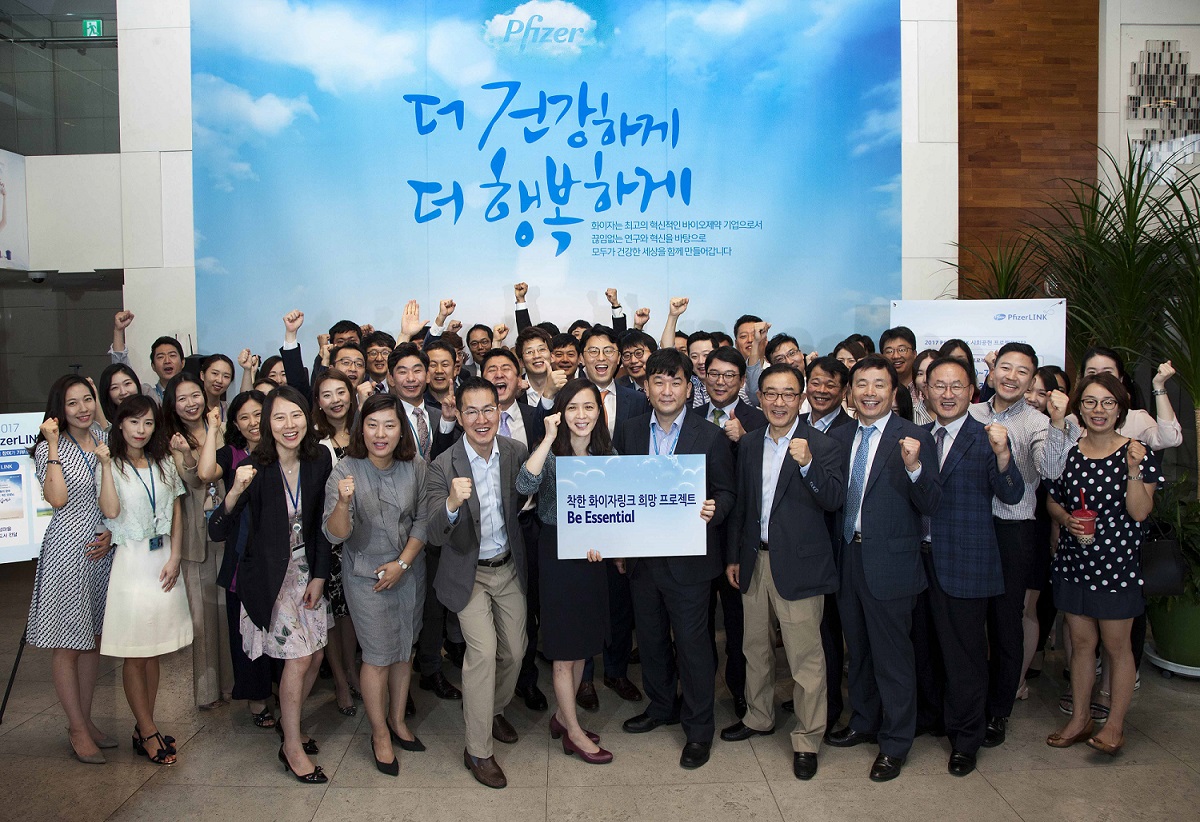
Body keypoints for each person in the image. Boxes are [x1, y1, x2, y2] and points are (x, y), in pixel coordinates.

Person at [614, 348, 736, 771]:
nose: (667, 390)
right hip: (643, 560)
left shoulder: (710, 435)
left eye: (676, 382)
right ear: (646, 387)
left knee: (693, 646)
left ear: (689, 388)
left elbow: (727, 492)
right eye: (658, 382)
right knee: (650, 640)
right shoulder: (629, 431)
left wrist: (714, 509)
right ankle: (662, 705)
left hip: (691, 563)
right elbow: (618, 491)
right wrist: (617, 544)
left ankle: (699, 729)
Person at [722, 364, 845, 781]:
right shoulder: (750, 442)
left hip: (801, 567)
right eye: (770, 393)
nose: (779, 402)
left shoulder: (823, 445)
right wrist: (735, 556)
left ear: (802, 398)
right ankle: (759, 716)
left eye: (788, 394)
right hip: (754, 560)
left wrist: (808, 464)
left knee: (805, 659)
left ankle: (808, 738)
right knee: (754, 648)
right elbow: (742, 504)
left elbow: (833, 499)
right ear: (759, 397)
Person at [208, 386, 334, 784]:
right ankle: (292, 745)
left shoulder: (319, 459)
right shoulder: (254, 467)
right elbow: (218, 530)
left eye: (295, 415)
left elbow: (321, 526)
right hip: (268, 578)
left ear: (307, 417)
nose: (289, 425)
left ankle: (288, 722)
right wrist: (233, 492)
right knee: (298, 659)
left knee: (315, 656)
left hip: (306, 573)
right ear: (267, 424)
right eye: (279, 417)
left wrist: (319, 575)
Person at [825, 354, 941, 783]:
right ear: (849, 392)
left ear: (894, 393)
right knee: (858, 650)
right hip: (848, 558)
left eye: (879, 385)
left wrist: (913, 468)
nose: (869, 392)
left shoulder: (915, 437)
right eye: (861, 384)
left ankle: (895, 743)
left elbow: (931, 503)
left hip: (891, 565)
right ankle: (864, 721)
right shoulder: (840, 435)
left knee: (893, 658)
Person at [913, 357, 1024, 777]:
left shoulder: (987, 437)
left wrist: (1004, 455)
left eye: (956, 386)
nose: (947, 394)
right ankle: (933, 718)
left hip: (966, 563)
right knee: (924, 649)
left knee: (965, 657)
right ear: (925, 391)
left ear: (972, 390)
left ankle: (965, 739)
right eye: (938, 386)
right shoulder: (917, 437)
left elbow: (1012, 495)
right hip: (918, 561)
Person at [967, 342, 1078, 748]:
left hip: (1012, 529)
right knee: (968, 620)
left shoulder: (1037, 422)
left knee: (1005, 621)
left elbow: (1050, 470)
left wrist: (1059, 423)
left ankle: (999, 709)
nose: (1011, 377)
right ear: (992, 370)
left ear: (1032, 381)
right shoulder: (972, 412)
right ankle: (968, 703)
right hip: (969, 527)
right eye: (1006, 368)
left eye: (1022, 372)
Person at [1045, 373, 1161, 756]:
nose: (1099, 410)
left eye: (1108, 402)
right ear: (1079, 408)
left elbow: (1140, 512)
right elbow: (1052, 500)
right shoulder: (1069, 452)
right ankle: (1080, 719)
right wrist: (1065, 519)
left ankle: (1114, 725)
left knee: (1117, 647)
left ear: (1120, 408)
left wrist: (1133, 470)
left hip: (1116, 566)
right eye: (1091, 402)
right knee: (1081, 644)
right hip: (1075, 561)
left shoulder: (1137, 452)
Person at [424, 376, 530, 789]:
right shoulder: (442, 464)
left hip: (508, 567)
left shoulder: (514, 452)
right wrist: (452, 503)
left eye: (489, 409)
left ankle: (493, 708)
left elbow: (532, 495)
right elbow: (434, 533)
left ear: (499, 412)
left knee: (515, 651)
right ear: (459, 413)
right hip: (468, 573)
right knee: (483, 653)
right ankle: (478, 750)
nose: (481, 419)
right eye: (471, 411)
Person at [324, 394, 431, 776]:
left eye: (389, 425)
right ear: (361, 429)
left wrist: (403, 563)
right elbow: (335, 535)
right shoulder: (344, 471)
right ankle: (379, 733)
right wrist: (342, 502)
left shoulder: (415, 466)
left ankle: (398, 721)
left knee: (404, 650)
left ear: (401, 429)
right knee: (377, 655)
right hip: (366, 577)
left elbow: (424, 519)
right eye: (372, 425)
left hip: (409, 570)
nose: (380, 434)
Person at [516, 379, 616, 765]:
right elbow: (524, 483)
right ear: (560, 413)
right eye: (572, 407)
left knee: (582, 646)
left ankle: (563, 716)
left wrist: (606, 543)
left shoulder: (608, 454)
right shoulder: (551, 454)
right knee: (562, 650)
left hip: (592, 558)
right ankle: (574, 733)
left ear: (599, 412)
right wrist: (547, 437)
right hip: (557, 554)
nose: (581, 415)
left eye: (588, 407)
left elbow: (617, 511)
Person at [96, 395, 192, 766]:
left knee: (154, 651)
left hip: (164, 559)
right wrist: (106, 466)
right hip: (132, 563)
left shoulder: (164, 461)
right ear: (120, 424)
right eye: (134, 422)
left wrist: (176, 556)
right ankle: (148, 730)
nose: (141, 430)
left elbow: (177, 510)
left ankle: (144, 726)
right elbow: (110, 510)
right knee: (136, 653)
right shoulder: (111, 464)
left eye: (148, 423)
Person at [26, 376, 115, 764]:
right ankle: (76, 728)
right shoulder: (49, 447)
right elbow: (58, 498)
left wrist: (112, 532)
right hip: (66, 551)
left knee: (93, 639)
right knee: (68, 643)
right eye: (72, 402)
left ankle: (86, 719)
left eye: (87, 399)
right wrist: (50, 445)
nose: (82, 408)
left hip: (103, 549)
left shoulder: (103, 437)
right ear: (59, 409)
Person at [196, 389, 280, 729]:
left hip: (279, 557)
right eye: (243, 417)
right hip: (243, 557)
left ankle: (281, 689)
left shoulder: (283, 449)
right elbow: (205, 474)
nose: (252, 422)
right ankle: (257, 699)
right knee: (248, 635)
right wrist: (212, 428)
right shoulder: (232, 454)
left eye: (258, 414)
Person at [576, 325, 648, 709]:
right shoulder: (568, 399)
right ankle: (584, 677)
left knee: (621, 601)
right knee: (585, 599)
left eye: (608, 351)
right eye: (593, 351)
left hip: (625, 517)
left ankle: (617, 671)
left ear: (618, 357)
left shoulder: (638, 400)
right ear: (581, 357)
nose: (601, 358)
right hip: (581, 517)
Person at [693, 345, 765, 718]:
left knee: (738, 624)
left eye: (729, 376)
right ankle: (700, 691)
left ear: (742, 381)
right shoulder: (690, 416)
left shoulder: (759, 419)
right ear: (704, 376)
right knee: (698, 622)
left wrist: (745, 438)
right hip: (698, 535)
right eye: (714, 374)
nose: (721, 382)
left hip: (738, 538)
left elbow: (764, 479)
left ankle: (740, 691)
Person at [480, 347, 553, 712]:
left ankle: (526, 679)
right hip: (489, 533)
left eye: (506, 368)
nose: (499, 374)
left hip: (530, 525)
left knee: (529, 605)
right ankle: (490, 685)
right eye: (491, 369)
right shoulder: (473, 421)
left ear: (518, 376)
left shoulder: (536, 416)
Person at [163, 373, 232, 710]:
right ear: (173, 405)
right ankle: (207, 693)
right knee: (203, 620)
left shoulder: (221, 428)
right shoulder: (172, 439)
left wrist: (214, 431)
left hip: (228, 531)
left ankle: (233, 686)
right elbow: (193, 479)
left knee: (228, 614)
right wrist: (186, 454)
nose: (191, 403)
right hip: (195, 537)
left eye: (195, 395)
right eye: (182, 398)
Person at [311, 368, 363, 714]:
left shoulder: (363, 433)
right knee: (332, 613)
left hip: (360, 537)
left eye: (341, 392)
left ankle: (354, 672)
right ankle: (341, 683)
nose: (335, 400)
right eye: (327, 395)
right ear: (318, 402)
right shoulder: (316, 443)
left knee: (351, 613)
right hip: (329, 538)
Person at [1078, 347, 1181, 450]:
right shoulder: (1072, 422)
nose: (1100, 379)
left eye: (1108, 373)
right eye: (1092, 373)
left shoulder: (1136, 419)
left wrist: (1159, 385)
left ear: (1121, 379)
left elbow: (1169, 439)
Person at [879, 327, 919, 411]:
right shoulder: (878, 388)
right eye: (889, 351)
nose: (896, 356)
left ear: (914, 354)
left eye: (902, 350)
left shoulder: (923, 388)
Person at [98, 363, 144, 431]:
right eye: (115, 387)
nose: (123, 392)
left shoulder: (151, 412)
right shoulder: (105, 427)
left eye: (127, 383)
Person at [199, 354, 236, 422]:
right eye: (215, 373)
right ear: (202, 375)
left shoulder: (230, 410)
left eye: (226, 376)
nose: (219, 380)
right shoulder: (194, 409)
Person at [910, 348, 940, 426]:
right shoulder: (911, 414)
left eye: (930, 372)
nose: (925, 379)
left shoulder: (962, 410)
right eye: (920, 374)